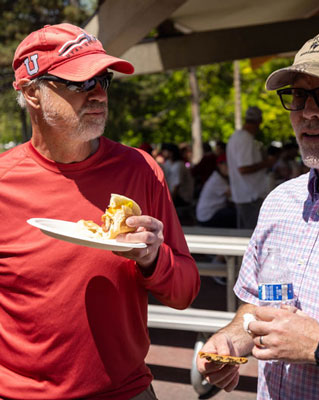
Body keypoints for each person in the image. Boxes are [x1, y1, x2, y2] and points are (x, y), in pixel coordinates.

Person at [197, 31, 319, 399]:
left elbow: (313, 343)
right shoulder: (280, 202)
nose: (309, 112)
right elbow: (256, 308)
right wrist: (229, 342)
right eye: (300, 95)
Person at [2, 23, 200, 400]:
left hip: (127, 392)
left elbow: (185, 292)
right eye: (79, 83)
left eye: (102, 80)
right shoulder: (4, 184)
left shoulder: (140, 169)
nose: (97, 94)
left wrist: (154, 258)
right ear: (32, 93)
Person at [226, 106, 277, 229]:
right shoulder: (245, 138)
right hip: (250, 196)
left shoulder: (236, 136)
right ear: (259, 121)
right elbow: (244, 169)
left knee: (245, 234)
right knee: (250, 235)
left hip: (244, 194)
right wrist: (267, 163)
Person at [195, 153, 236, 228]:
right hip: (208, 216)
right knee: (236, 215)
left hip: (210, 213)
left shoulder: (220, 178)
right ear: (219, 165)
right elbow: (234, 195)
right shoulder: (217, 180)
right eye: (226, 164)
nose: (229, 167)